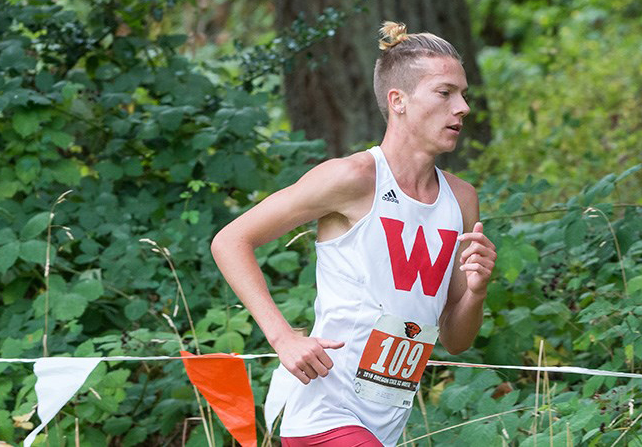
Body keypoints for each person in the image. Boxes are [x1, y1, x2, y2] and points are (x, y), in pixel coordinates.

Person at [211, 21, 497, 447]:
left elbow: (456, 340)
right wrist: (283, 337)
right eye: (445, 92)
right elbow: (230, 241)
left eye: (463, 95)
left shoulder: (461, 199)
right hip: (324, 413)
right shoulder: (353, 178)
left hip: (384, 423)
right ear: (398, 101)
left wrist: (475, 292)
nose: (463, 108)